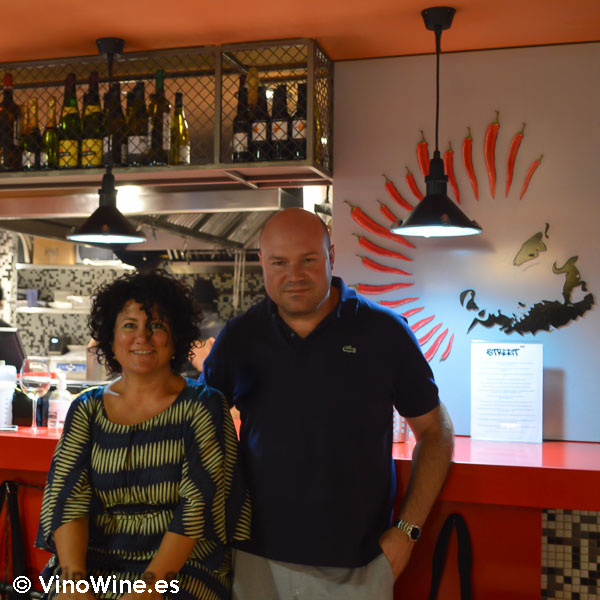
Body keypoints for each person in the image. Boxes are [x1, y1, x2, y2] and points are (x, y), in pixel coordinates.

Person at [200, 208, 454, 599]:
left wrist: (406, 533)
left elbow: (436, 431)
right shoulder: (240, 336)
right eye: (279, 263)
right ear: (262, 262)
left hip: (357, 566)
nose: (294, 275)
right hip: (253, 561)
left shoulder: (384, 331)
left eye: (308, 260)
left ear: (331, 255)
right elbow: (199, 429)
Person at [35, 270, 251, 600]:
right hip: (94, 565)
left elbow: (197, 507)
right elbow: (67, 499)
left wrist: (149, 587)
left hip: (181, 570)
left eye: (157, 326)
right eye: (129, 325)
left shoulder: (203, 406)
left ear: (176, 337)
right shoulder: (86, 408)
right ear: (110, 338)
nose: (142, 338)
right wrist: (74, 581)